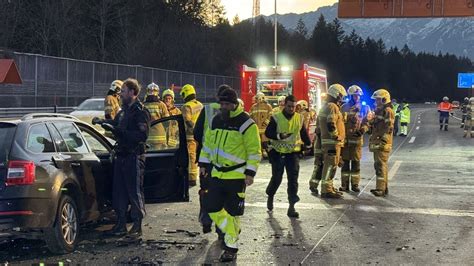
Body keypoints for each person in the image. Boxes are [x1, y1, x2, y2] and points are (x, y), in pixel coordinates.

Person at [198, 87, 261, 262]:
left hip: (236, 175)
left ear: (234, 104)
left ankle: (230, 248)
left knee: (233, 213)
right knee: (211, 207)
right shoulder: (215, 120)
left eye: (227, 104)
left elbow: (254, 151)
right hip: (217, 173)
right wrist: (203, 164)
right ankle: (232, 231)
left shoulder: (246, 124)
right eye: (222, 104)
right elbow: (208, 146)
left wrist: (250, 173)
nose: (223, 107)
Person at [92, 78, 150, 237]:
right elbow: (115, 124)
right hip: (121, 156)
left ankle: (137, 225)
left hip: (133, 156)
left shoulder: (140, 112)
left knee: (134, 192)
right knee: (120, 193)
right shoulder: (123, 111)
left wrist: (120, 132)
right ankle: (121, 224)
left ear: (132, 92)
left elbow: (142, 135)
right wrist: (103, 122)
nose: (121, 94)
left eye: (123, 91)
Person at [265, 95, 312, 217]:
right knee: (277, 178)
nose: (291, 109)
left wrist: (308, 144)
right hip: (278, 153)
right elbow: (268, 132)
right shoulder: (276, 117)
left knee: (293, 181)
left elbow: (303, 133)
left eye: (293, 106)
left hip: (293, 154)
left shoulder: (299, 118)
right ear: (284, 105)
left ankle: (291, 207)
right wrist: (280, 136)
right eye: (289, 106)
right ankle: (270, 195)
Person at [193, 85, 228, 235]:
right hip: (224, 161)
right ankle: (221, 229)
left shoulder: (206, 110)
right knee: (222, 193)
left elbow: (196, 133)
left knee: (206, 190)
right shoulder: (231, 112)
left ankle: (206, 220)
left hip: (206, 160)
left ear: (216, 96)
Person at [339, 85, 370, 193]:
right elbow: (340, 123)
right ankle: (344, 185)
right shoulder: (344, 107)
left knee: (356, 164)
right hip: (346, 141)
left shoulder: (365, 108)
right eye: (354, 95)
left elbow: (367, 122)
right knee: (345, 164)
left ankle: (355, 185)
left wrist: (362, 130)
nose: (356, 97)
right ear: (350, 96)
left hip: (357, 141)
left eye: (358, 95)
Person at [318, 84, 347, 199]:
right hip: (332, 143)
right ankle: (326, 190)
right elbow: (331, 123)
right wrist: (336, 136)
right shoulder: (332, 106)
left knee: (331, 165)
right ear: (336, 94)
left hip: (328, 142)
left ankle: (329, 187)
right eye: (340, 96)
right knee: (330, 165)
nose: (341, 98)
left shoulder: (327, 105)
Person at [368, 89, 394, 197]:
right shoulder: (380, 110)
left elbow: (389, 127)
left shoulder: (388, 111)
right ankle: (383, 187)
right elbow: (375, 125)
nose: (376, 102)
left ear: (384, 99)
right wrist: (371, 120)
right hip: (378, 142)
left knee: (380, 166)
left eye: (378, 100)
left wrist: (383, 140)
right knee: (380, 165)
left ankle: (380, 188)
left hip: (382, 143)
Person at [180, 84, 203, 187]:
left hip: (190, 137)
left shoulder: (186, 106)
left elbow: (188, 120)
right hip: (200, 137)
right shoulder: (200, 104)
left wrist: (193, 130)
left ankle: (192, 179)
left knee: (191, 157)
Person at [144, 83, 169, 150]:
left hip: (148, 137)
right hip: (160, 137)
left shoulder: (143, 105)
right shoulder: (161, 105)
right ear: (157, 92)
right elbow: (167, 122)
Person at [249, 92, 273, 158]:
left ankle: (266, 152)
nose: (255, 99)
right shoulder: (253, 107)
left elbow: (270, 115)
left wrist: (266, 123)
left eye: (257, 98)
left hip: (265, 128)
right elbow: (250, 116)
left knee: (265, 142)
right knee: (258, 141)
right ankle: (260, 153)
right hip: (256, 127)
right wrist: (252, 124)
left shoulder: (268, 106)